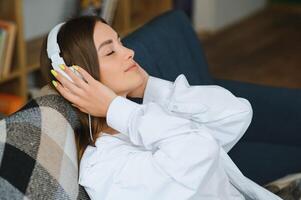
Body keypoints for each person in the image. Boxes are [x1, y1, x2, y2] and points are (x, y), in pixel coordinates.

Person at [40, 15, 282, 200]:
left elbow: (236, 112)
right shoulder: (104, 167)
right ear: (76, 78)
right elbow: (200, 151)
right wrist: (116, 109)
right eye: (111, 51)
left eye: (120, 42)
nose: (129, 52)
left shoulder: (146, 115)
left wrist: (149, 87)